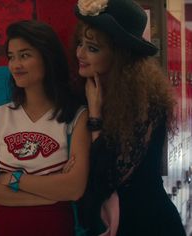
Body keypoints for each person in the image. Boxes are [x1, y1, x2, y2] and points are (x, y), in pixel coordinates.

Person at [72, 0, 187, 235]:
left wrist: (95, 116)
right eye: (80, 43)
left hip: (149, 223)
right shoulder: (87, 93)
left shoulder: (145, 103)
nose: (80, 53)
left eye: (92, 48)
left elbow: (109, 176)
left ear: (119, 55)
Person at [0, 20, 90, 236]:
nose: (15, 65)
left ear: (47, 58)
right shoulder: (0, 116)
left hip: (55, 228)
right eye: (11, 56)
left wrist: (12, 179)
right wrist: (46, 195)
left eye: (25, 55)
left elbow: (73, 188)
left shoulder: (76, 116)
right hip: (5, 227)